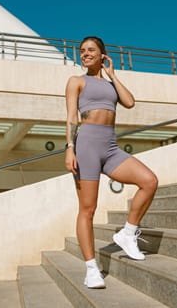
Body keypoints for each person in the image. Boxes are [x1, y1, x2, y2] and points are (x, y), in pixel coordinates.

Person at [65, 36, 158, 289]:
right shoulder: (76, 81)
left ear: (102, 54)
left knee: (149, 181)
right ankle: (91, 268)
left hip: (111, 147)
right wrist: (70, 147)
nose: (85, 53)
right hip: (86, 147)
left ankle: (127, 234)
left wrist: (113, 74)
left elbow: (129, 102)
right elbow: (72, 117)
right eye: (82, 51)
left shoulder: (110, 84)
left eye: (91, 50)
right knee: (88, 209)